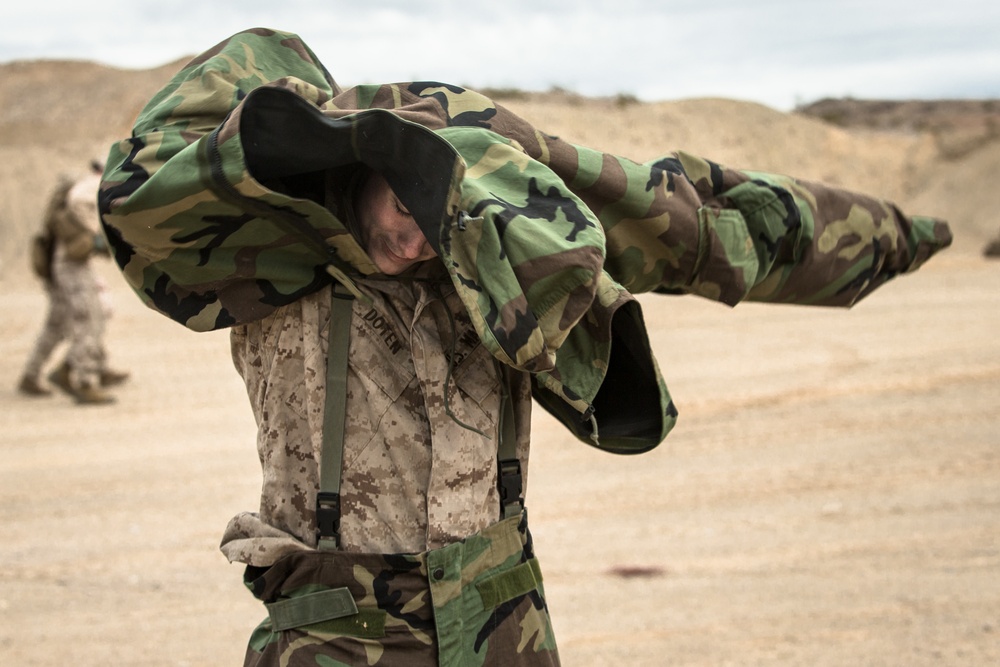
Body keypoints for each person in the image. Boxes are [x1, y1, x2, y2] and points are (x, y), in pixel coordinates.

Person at [97, 28, 952, 666]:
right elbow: (154, 181)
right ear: (361, 158)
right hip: (336, 628)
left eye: (439, 219)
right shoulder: (262, 254)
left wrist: (898, 236)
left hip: (503, 614)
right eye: (410, 204)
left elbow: (704, 224)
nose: (419, 238)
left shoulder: (501, 245)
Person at [19, 160, 128, 404]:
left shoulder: (78, 189)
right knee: (90, 316)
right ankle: (83, 379)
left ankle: (72, 369)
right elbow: (80, 205)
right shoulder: (87, 189)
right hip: (71, 267)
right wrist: (97, 233)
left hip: (67, 267)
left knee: (72, 319)